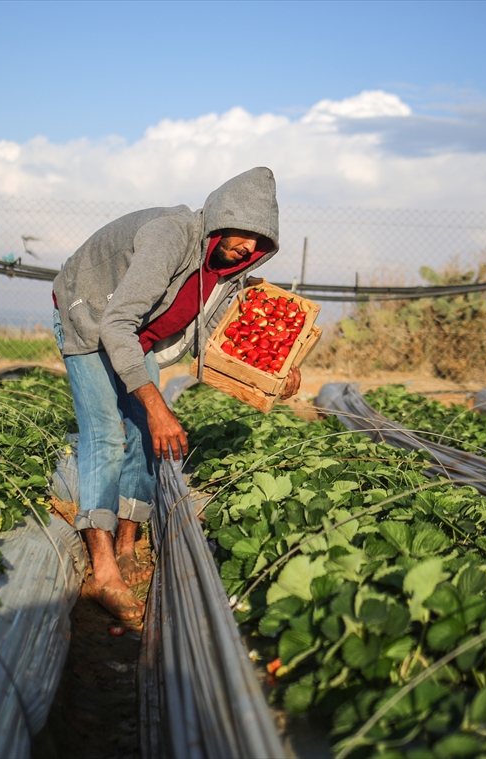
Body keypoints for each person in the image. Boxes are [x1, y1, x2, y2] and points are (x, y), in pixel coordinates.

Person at [52, 167, 301, 628]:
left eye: (259, 242)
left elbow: (218, 341)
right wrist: (156, 404)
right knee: (106, 434)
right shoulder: (171, 237)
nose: (248, 247)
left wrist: (277, 373)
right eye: (244, 233)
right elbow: (114, 323)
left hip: (136, 335)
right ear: (222, 219)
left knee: (146, 437)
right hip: (91, 316)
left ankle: (126, 547)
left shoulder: (229, 272)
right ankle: (104, 571)